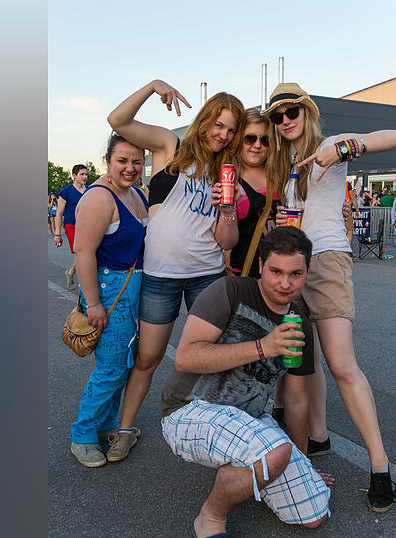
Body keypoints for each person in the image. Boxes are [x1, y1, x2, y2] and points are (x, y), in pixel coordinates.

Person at [263, 82, 396, 512]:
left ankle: (380, 468)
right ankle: (319, 435)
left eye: (291, 112)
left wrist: (344, 149)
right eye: (277, 116)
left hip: (326, 260)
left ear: (306, 112)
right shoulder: (283, 162)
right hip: (292, 264)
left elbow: (395, 136)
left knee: (342, 364)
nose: (285, 120)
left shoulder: (331, 145)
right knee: (304, 361)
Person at [161, 226, 332, 536]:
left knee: (313, 512)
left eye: (295, 274)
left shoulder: (300, 324)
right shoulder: (230, 291)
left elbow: (296, 399)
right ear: (261, 266)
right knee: (272, 453)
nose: (285, 283)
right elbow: (185, 357)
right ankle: (210, 518)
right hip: (189, 410)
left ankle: (248, 469)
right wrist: (263, 347)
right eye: (276, 272)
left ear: (307, 272)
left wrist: (301, 460)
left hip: (248, 419)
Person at [106, 79, 244, 460]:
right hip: (161, 275)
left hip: (207, 274)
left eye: (231, 130)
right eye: (219, 125)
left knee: (213, 357)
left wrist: (227, 209)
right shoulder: (172, 145)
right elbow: (118, 120)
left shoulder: (226, 170)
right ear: (205, 120)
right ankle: (124, 429)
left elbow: (227, 242)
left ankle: (221, 432)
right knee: (147, 357)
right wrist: (153, 87)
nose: (223, 135)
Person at [68, 134, 149, 468]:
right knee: (110, 368)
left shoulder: (136, 194)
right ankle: (82, 434)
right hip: (109, 291)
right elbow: (83, 251)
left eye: (137, 161)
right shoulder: (99, 197)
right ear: (107, 161)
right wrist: (93, 303)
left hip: (133, 289)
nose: (130, 168)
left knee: (124, 364)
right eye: (122, 161)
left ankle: (106, 423)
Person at [228, 107, 278, 278]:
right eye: (250, 138)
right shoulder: (229, 179)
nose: (257, 145)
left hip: (280, 274)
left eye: (264, 140)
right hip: (244, 275)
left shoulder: (281, 174)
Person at [53, 164, 89, 290]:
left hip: (87, 226)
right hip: (71, 226)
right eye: (82, 174)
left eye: (86, 174)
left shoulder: (90, 190)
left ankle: (71, 272)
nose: (85, 177)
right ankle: (85, 284)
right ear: (74, 175)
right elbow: (59, 213)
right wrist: (57, 234)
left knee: (88, 253)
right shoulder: (66, 191)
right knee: (81, 254)